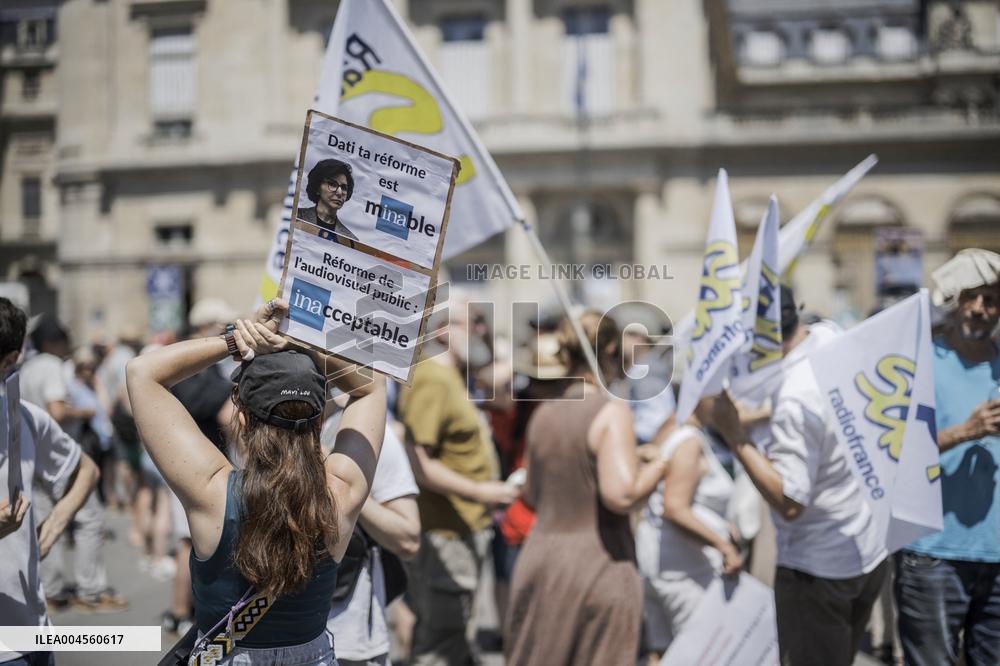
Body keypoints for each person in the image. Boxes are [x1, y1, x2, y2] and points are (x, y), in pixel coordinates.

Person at [126, 299, 386, 664]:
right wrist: (303, 342)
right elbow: (371, 388)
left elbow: (142, 372)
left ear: (243, 422)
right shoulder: (341, 494)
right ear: (318, 424)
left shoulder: (214, 492)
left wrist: (239, 338)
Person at [711, 286, 889, 666]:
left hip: (818, 570)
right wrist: (757, 417)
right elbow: (822, 414)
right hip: (864, 547)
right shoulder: (829, 337)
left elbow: (790, 503)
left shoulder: (795, 397)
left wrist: (736, 438)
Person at [504, 311, 669, 666]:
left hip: (540, 560)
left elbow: (532, 495)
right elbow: (621, 493)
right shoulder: (611, 411)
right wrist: (659, 465)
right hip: (597, 563)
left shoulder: (545, 412)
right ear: (610, 348)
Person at [895, 248, 1000, 666]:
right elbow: (895, 452)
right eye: (971, 296)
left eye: (991, 299)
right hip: (933, 554)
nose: (979, 308)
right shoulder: (920, 365)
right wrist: (965, 432)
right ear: (955, 300)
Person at [398, 309, 519, 666]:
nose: (481, 330)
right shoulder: (432, 378)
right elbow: (420, 462)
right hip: (445, 534)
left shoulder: (451, 376)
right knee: (440, 645)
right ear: (444, 331)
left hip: (461, 529)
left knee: (455, 637)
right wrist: (482, 492)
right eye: (472, 322)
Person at [0, 297, 100, 665]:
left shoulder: (25, 418)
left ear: (12, 360)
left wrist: (54, 524)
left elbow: (86, 470)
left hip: (28, 637)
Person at [20, 315, 127, 613]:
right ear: (54, 342)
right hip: (59, 455)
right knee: (89, 518)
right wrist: (85, 411)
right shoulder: (53, 366)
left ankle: (50, 591)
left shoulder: (26, 368)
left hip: (31, 453)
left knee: (44, 519)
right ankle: (90, 590)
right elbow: (56, 410)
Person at [636, 395, 739, 663]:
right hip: (684, 569)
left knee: (661, 650)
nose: (729, 402)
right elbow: (675, 507)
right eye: (721, 396)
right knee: (700, 653)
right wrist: (723, 545)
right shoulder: (689, 441)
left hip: (656, 559)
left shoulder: (670, 426)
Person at [161, 298, 238, 634]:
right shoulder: (197, 368)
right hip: (196, 462)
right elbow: (219, 410)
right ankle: (181, 612)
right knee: (192, 542)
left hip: (181, 458)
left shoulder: (180, 359)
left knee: (191, 539)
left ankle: (182, 612)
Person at [323, 400, 420, 666]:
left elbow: (408, 539)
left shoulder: (365, 435)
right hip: (264, 637)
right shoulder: (253, 426)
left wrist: (348, 489)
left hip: (347, 640)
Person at [296, 158, 360, 243]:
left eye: (344, 188)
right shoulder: (295, 216)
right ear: (317, 187)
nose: (339, 192)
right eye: (332, 184)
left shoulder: (350, 240)